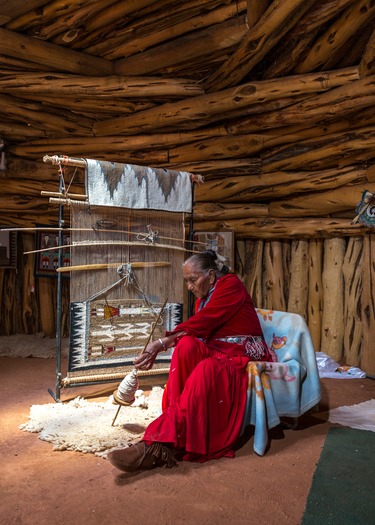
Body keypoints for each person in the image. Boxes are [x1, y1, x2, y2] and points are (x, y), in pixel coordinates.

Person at [107, 250, 274, 472]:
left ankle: (158, 443)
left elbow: (205, 320)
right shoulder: (202, 300)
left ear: (212, 275)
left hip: (241, 355)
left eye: (193, 280)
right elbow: (196, 332)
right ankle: (174, 430)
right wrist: (162, 346)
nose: (189, 286)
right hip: (219, 352)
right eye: (187, 281)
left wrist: (160, 344)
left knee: (207, 368)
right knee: (186, 347)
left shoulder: (231, 286)